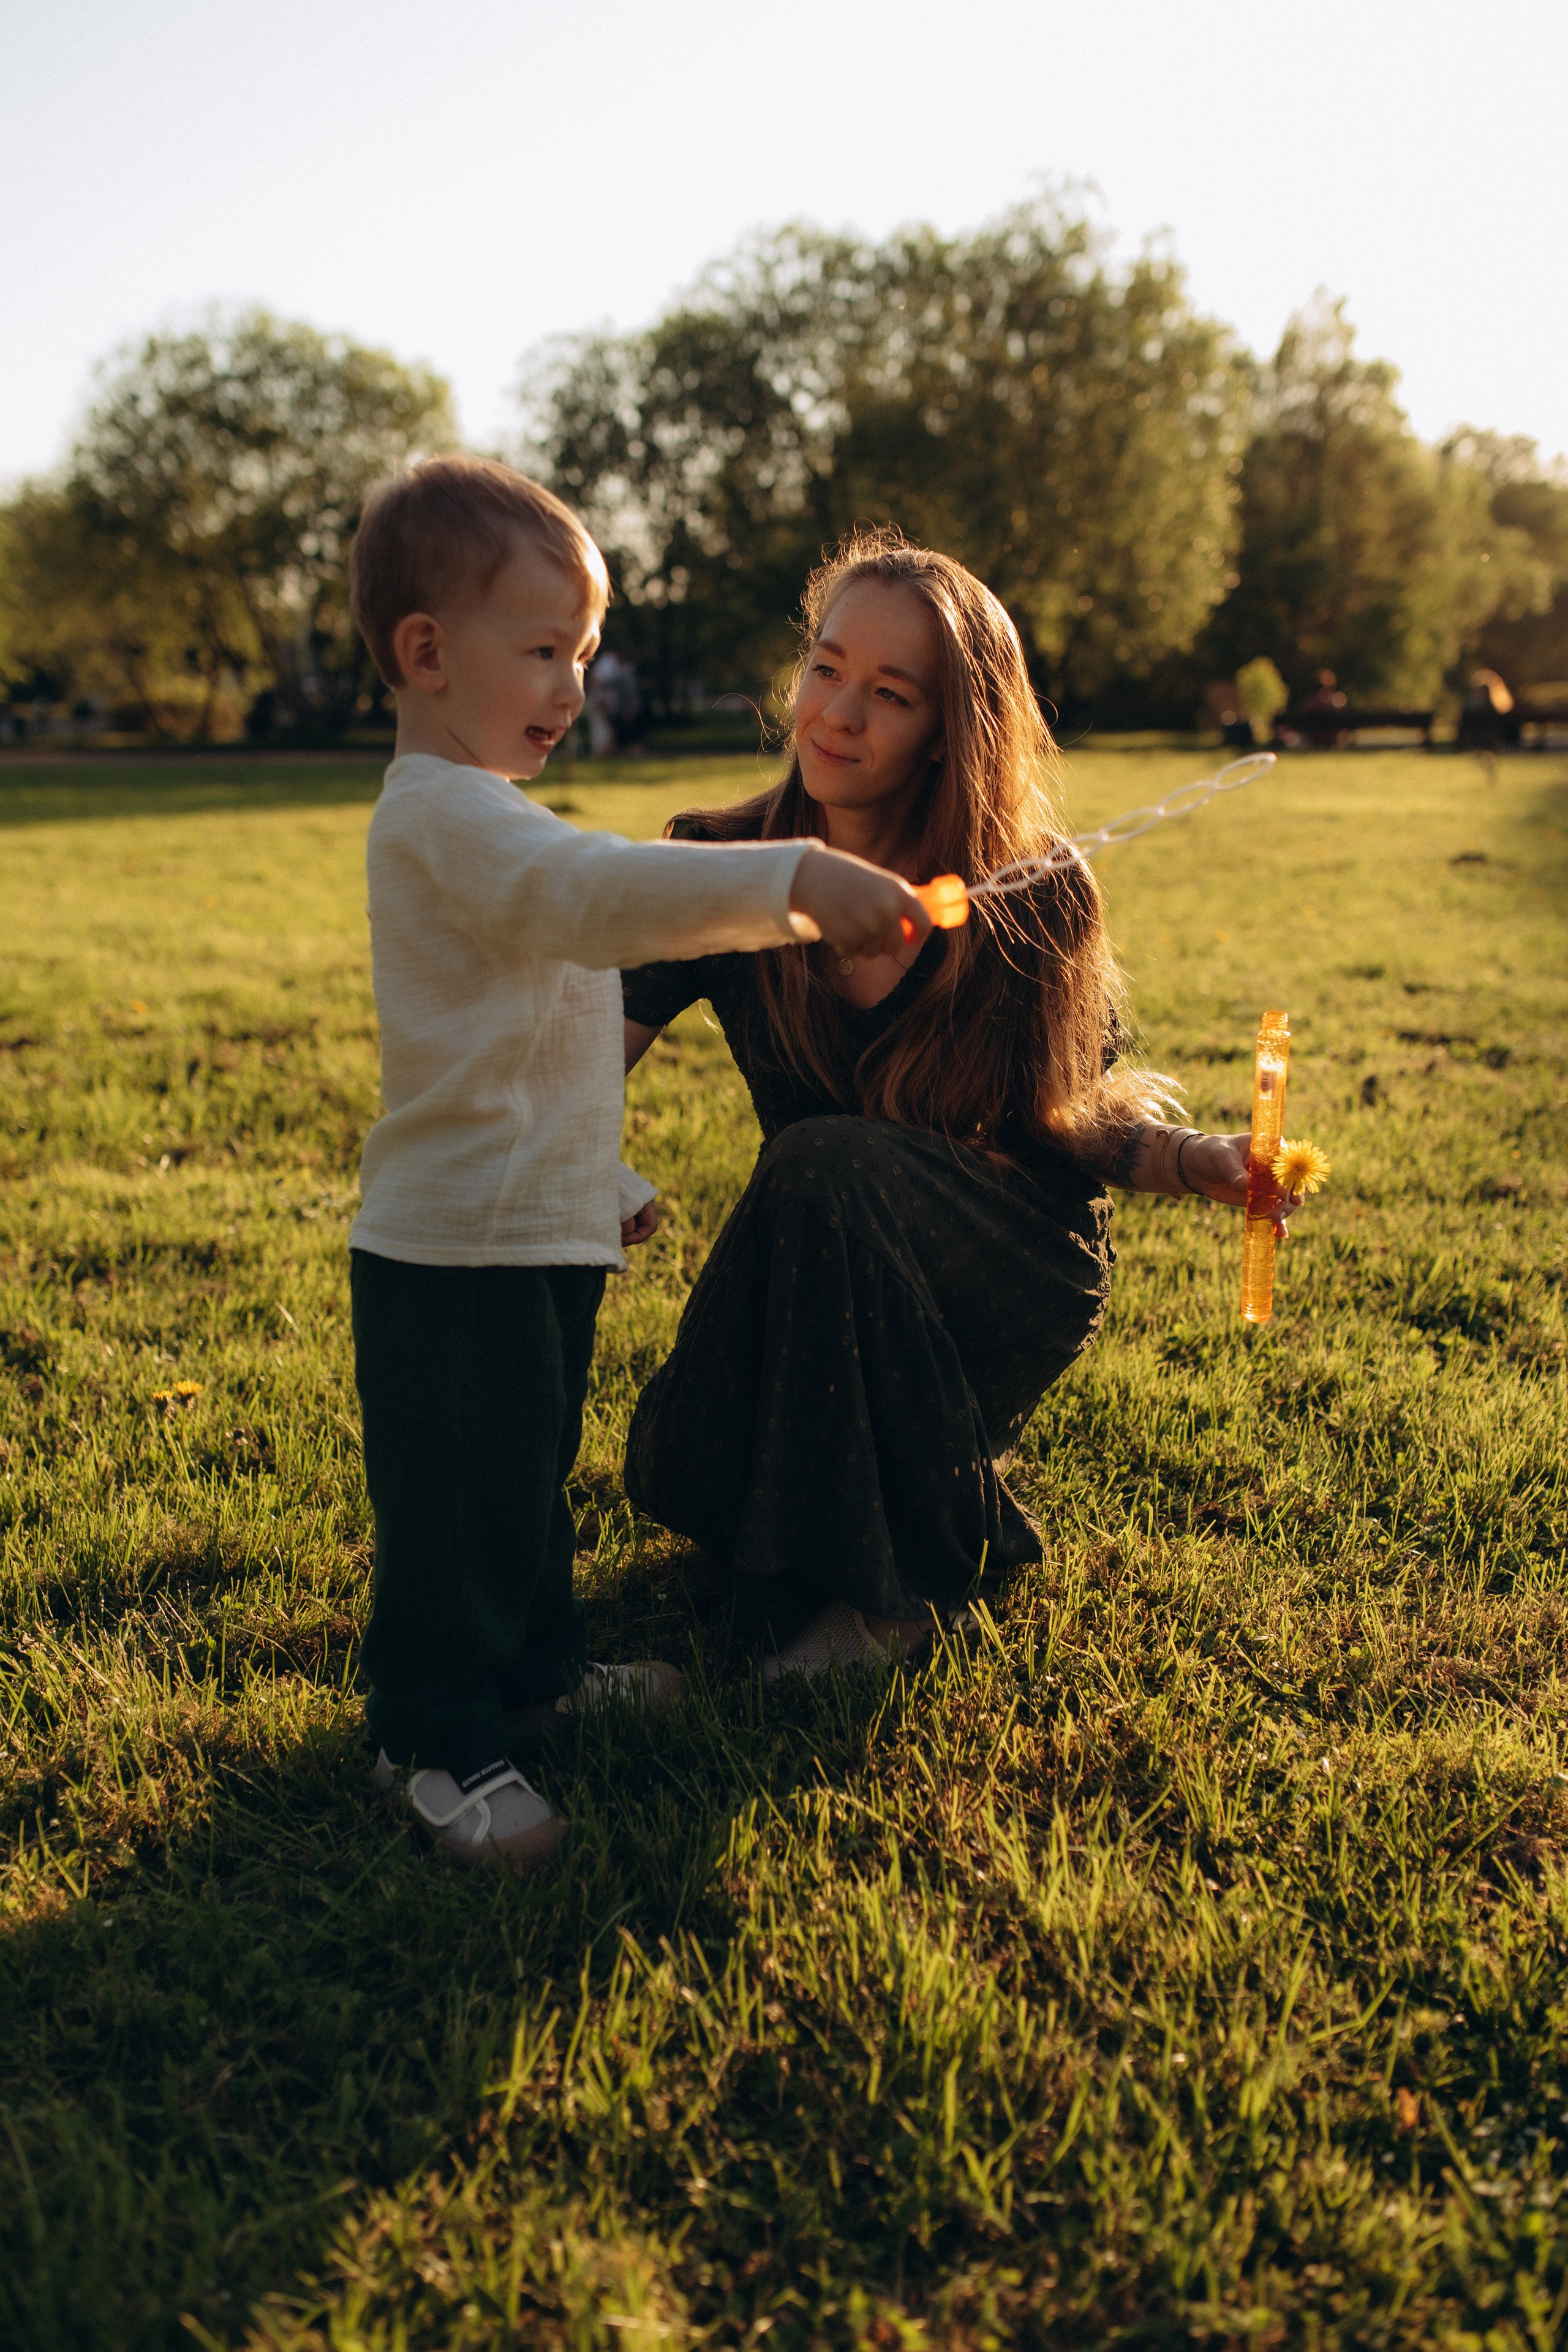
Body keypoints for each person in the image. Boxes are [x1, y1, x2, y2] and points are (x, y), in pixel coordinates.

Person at [345, 462, 932, 1868]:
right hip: (447, 1255)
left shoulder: (488, 812)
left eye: (586, 656)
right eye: (542, 651)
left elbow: (526, 1049)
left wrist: (590, 1185)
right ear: (426, 652)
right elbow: (588, 897)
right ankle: (428, 1739)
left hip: (523, 1232)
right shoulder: (447, 814)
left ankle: (538, 1673)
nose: (572, 686)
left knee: (527, 1472)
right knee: (461, 1499)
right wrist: (788, 881)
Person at [620, 532, 1308, 1678]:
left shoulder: (1035, 889)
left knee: (826, 1158)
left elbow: (1070, 1123)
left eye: (889, 695)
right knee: (688, 1463)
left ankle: (889, 1610)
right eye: (827, 669)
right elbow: (588, 1056)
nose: (837, 713)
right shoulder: (720, 861)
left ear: (951, 730)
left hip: (1004, 1261)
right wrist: (568, 1156)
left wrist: (1202, 1160)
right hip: (824, 1267)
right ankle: (871, 1526)